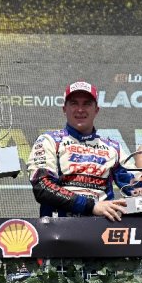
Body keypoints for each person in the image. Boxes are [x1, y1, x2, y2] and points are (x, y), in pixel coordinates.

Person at [28, 81, 129, 221]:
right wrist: (91, 206)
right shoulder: (49, 140)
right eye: (74, 103)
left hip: (102, 230)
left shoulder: (114, 148)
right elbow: (42, 187)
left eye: (87, 104)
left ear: (96, 110)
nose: (80, 109)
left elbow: (136, 188)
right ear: (64, 109)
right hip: (58, 231)